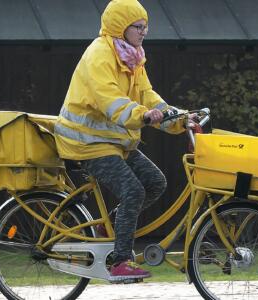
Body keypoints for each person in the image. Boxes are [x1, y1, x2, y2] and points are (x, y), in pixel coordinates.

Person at [54, 0, 185, 282]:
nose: (144, 32)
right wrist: (143, 116)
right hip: (87, 142)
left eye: (145, 26)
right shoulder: (99, 55)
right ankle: (119, 261)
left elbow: (148, 95)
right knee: (133, 191)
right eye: (138, 27)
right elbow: (110, 100)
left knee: (155, 182)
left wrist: (179, 118)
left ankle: (108, 227)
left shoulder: (133, 56)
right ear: (119, 27)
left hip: (114, 141)